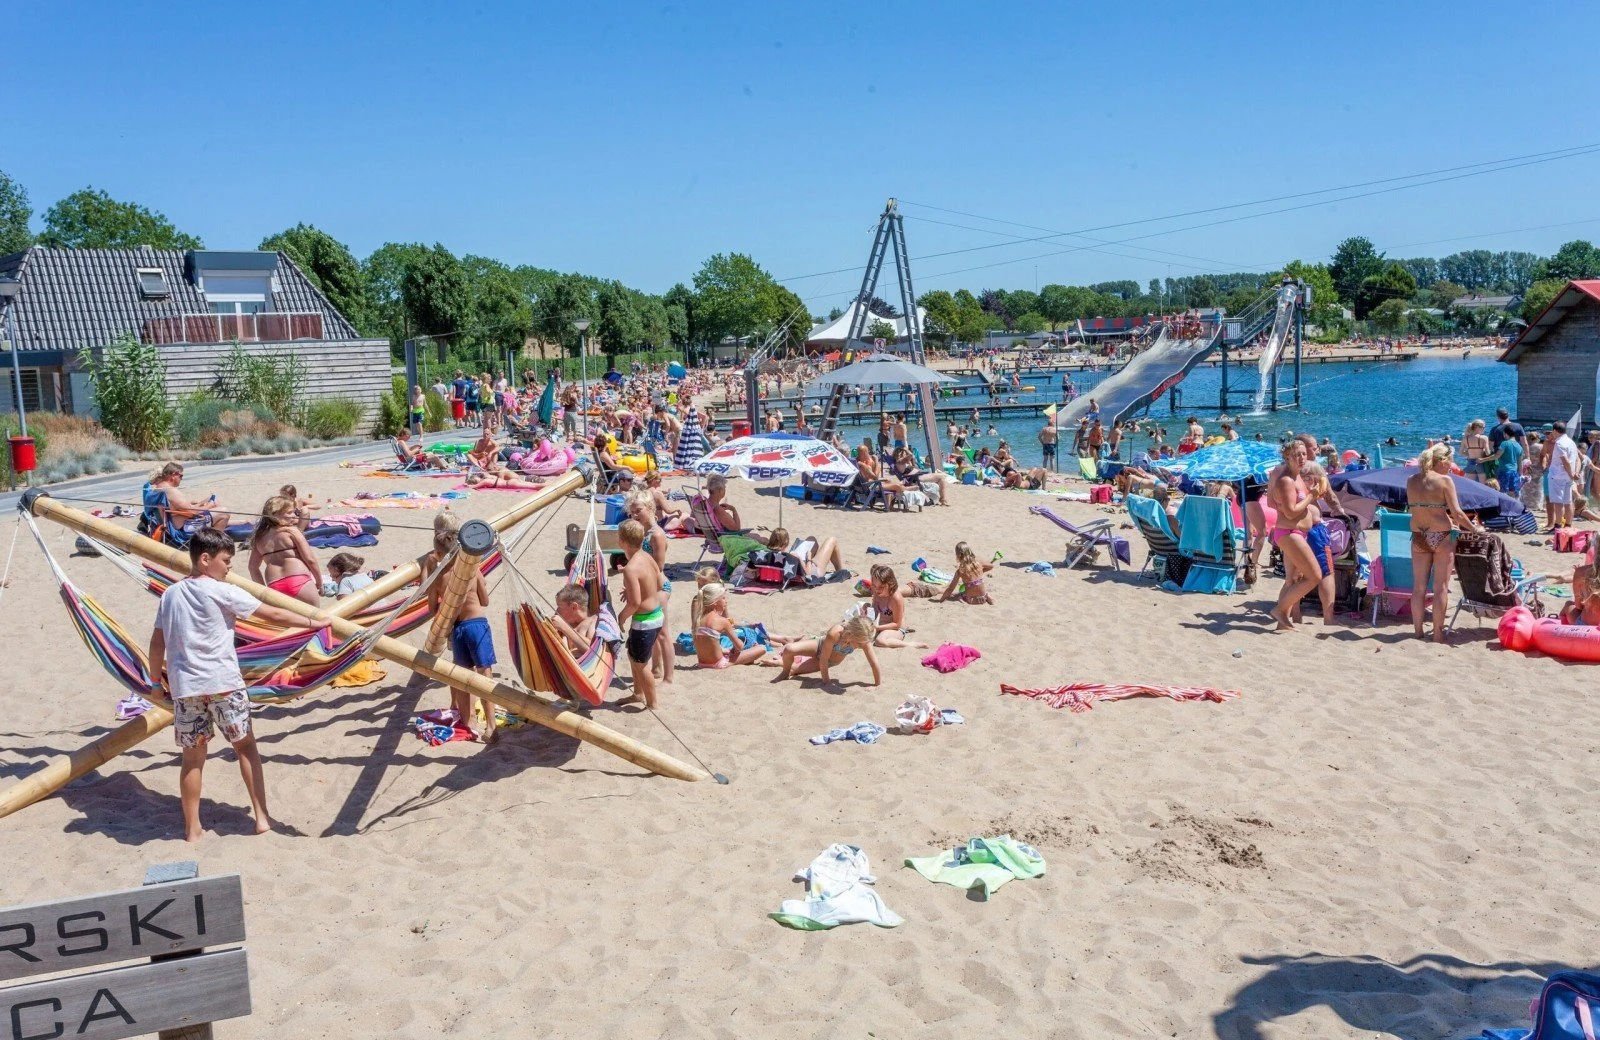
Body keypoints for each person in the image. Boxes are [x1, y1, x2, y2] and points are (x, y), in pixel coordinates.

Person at [148, 527, 316, 841]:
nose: (229, 567)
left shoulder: (170, 595)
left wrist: (156, 683)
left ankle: (192, 829)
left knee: (193, 759)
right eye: (226, 561)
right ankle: (262, 817)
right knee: (246, 747)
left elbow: (157, 643)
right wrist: (313, 622)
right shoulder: (222, 590)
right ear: (205, 559)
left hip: (187, 688)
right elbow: (273, 613)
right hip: (224, 683)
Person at [1406, 443, 1485, 643]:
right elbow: (1457, 513)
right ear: (1441, 461)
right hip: (1441, 535)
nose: (1451, 465)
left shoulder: (1411, 480)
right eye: (1450, 461)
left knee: (1418, 588)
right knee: (1440, 587)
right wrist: (1474, 529)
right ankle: (1438, 635)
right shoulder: (1445, 481)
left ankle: (1417, 632)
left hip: (1419, 535)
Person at [427, 524, 499, 741]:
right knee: (485, 675)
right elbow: (485, 601)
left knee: (463, 678)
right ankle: (492, 727)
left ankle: (469, 724)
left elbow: (432, 610)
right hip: (477, 624)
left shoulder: (438, 578)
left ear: (438, 554)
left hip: (457, 629)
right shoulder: (472, 569)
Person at [1266, 440, 1322, 632]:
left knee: (1292, 579)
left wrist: (1310, 495)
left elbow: (1280, 504)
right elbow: (1290, 512)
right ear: (1287, 457)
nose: (1301, 458)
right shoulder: (1286, 480)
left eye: (1304, 454)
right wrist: (1311, 497)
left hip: (1297, 532)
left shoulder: (1297, 478)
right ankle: (1280, 610)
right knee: (1314, 576)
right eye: (1297, 454)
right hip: (1289, 532)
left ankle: (1282, 624)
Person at [627, 491, 675, 685]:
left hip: (659, 586)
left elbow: (658, 567)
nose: (635, 516)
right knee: (654, 632)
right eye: (631, 513)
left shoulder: (656, 535)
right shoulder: (643, 534)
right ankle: (656, 668)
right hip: (649, 586)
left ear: (650, 509)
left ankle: (669, 676)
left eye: (638, 511)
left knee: (662, 633)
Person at [617, 520, 665, 708]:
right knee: (634, 656)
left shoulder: (630, 569)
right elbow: (659, 584)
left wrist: (621, 617)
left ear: (621, 542)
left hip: (644, 622)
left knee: (640, 663)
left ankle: (652, 703)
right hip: (657, 615)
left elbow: (634, 603)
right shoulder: (647, 556)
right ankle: (637, 693)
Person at [248, 496, 323, 606]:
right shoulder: (292, 531)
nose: (294, 515)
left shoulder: (259, 537)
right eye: (289, 513)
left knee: (288, 622)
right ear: (276, 514)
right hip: (299, 580)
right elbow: (310, 559)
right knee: (316, 619)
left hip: (275, 586)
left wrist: (263, 591)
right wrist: (319, 582)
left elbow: (252, 567)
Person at [774, 615, 881, 686]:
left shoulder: (863, 640)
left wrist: (877, 684)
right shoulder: (835, 633)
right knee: (789, 649)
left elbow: (874, 663)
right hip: (819, 646)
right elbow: (823, 657)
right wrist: (827, 682)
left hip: (831, 661)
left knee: (795, 670)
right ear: (852, 634)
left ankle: (779, 663)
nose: (860, 645)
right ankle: (785, 672)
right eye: (858, 642)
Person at [141, 462, 229, 545]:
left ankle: (238, 523)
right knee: (224, 512)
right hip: (182, 530)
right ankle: (212, 544)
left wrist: (203, 503)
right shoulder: (171, 491)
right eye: (181, 476)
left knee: (213, 506)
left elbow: (181, 508)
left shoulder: (157, 489)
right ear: (173, 475)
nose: (181, 479)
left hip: (170, 526)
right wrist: (210, 504)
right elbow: (193, 512)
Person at [691, 582, 771, 667]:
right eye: (723, 598)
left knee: (728, 650)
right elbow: (739, 646)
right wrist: (736, 649)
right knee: (761, 648)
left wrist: (725, 650)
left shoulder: (698, 620)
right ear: (715, 602)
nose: (726, 601)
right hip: (719, 663)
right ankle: (735, 662)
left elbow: (706, 645)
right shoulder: (722, 621)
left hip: (702, 663)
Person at [853, 565, 929, 649]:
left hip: (895, 629)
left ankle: (911, 644)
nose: (877, 589)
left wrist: (877, 627)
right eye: (874, 586)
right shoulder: (876, 591)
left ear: (890, 584)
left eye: (881, 587)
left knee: (880, 641)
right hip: (879, 624)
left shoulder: (895, 598)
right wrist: (866, 609)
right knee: (856, 633)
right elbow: (875, 611)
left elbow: (897, 624)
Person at [767, 527, 845, 580]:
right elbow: (808, 574)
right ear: (786, 542)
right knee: (832, 540)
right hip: (814, 572)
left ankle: (820, 558)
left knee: (811, 539)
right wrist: (809, 558)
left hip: (796, 568)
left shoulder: (767, 554)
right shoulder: (793, 556)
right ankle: (842, 571)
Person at [1547, 420, 1582, 531]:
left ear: (1554, 431)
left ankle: (1558, 526)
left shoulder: (1559, 443)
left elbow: (1565, 461)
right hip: (1568, 476)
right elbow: (1577, 459)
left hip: (1558, 475)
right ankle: (1568, 525)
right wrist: (1575, 472)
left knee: (1558, 502)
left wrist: (1571, 474)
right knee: (1568, 501)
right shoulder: (1571, 442)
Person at [549, 583, 598, 657]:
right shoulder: (568, 622)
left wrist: (564, 627)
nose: (556, 611)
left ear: (574, 607)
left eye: (560, 607)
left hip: (582, 666)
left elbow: (592, 650)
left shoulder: (593, 621)